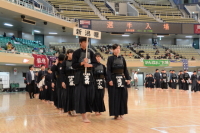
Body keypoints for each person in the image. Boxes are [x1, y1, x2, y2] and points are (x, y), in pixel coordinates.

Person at [72, 37, 98, 123]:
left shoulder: (91, 52)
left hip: (89, 76)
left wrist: (89, 65)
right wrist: (82, 63)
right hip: (80, 76)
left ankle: (88, 111)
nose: (86, 43)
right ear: (80, 43)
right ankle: (83, 116)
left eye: (87, 42)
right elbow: (73, 65)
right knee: (82, 96)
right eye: (85, 42)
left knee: (90, 95)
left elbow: (95, 64)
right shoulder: (76, 53)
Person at [107, 44, 131, 120]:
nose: (118, 50)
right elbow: (108, 70)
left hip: (122, 78)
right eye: (116, 48)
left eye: (119, 48)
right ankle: (115, 114)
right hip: (114, 78)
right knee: (114, 96)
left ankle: (122, 113)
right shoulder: (110, 58)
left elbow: (125, 70)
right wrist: (109, 80)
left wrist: (128, 78)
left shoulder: (122, 58)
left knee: (123, 96)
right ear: (113, 50)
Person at [61, 49, 76, 115]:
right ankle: (69, 109)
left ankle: (74, 109)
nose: (72, 54)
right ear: (67, 54)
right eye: (70, 53)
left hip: (75, 80)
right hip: (67, 80)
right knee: (68, 95)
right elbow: (62, 73)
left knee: (75, 95)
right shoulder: (64, 62)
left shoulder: (75, 62)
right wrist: (63, 81)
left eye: (73, 53)